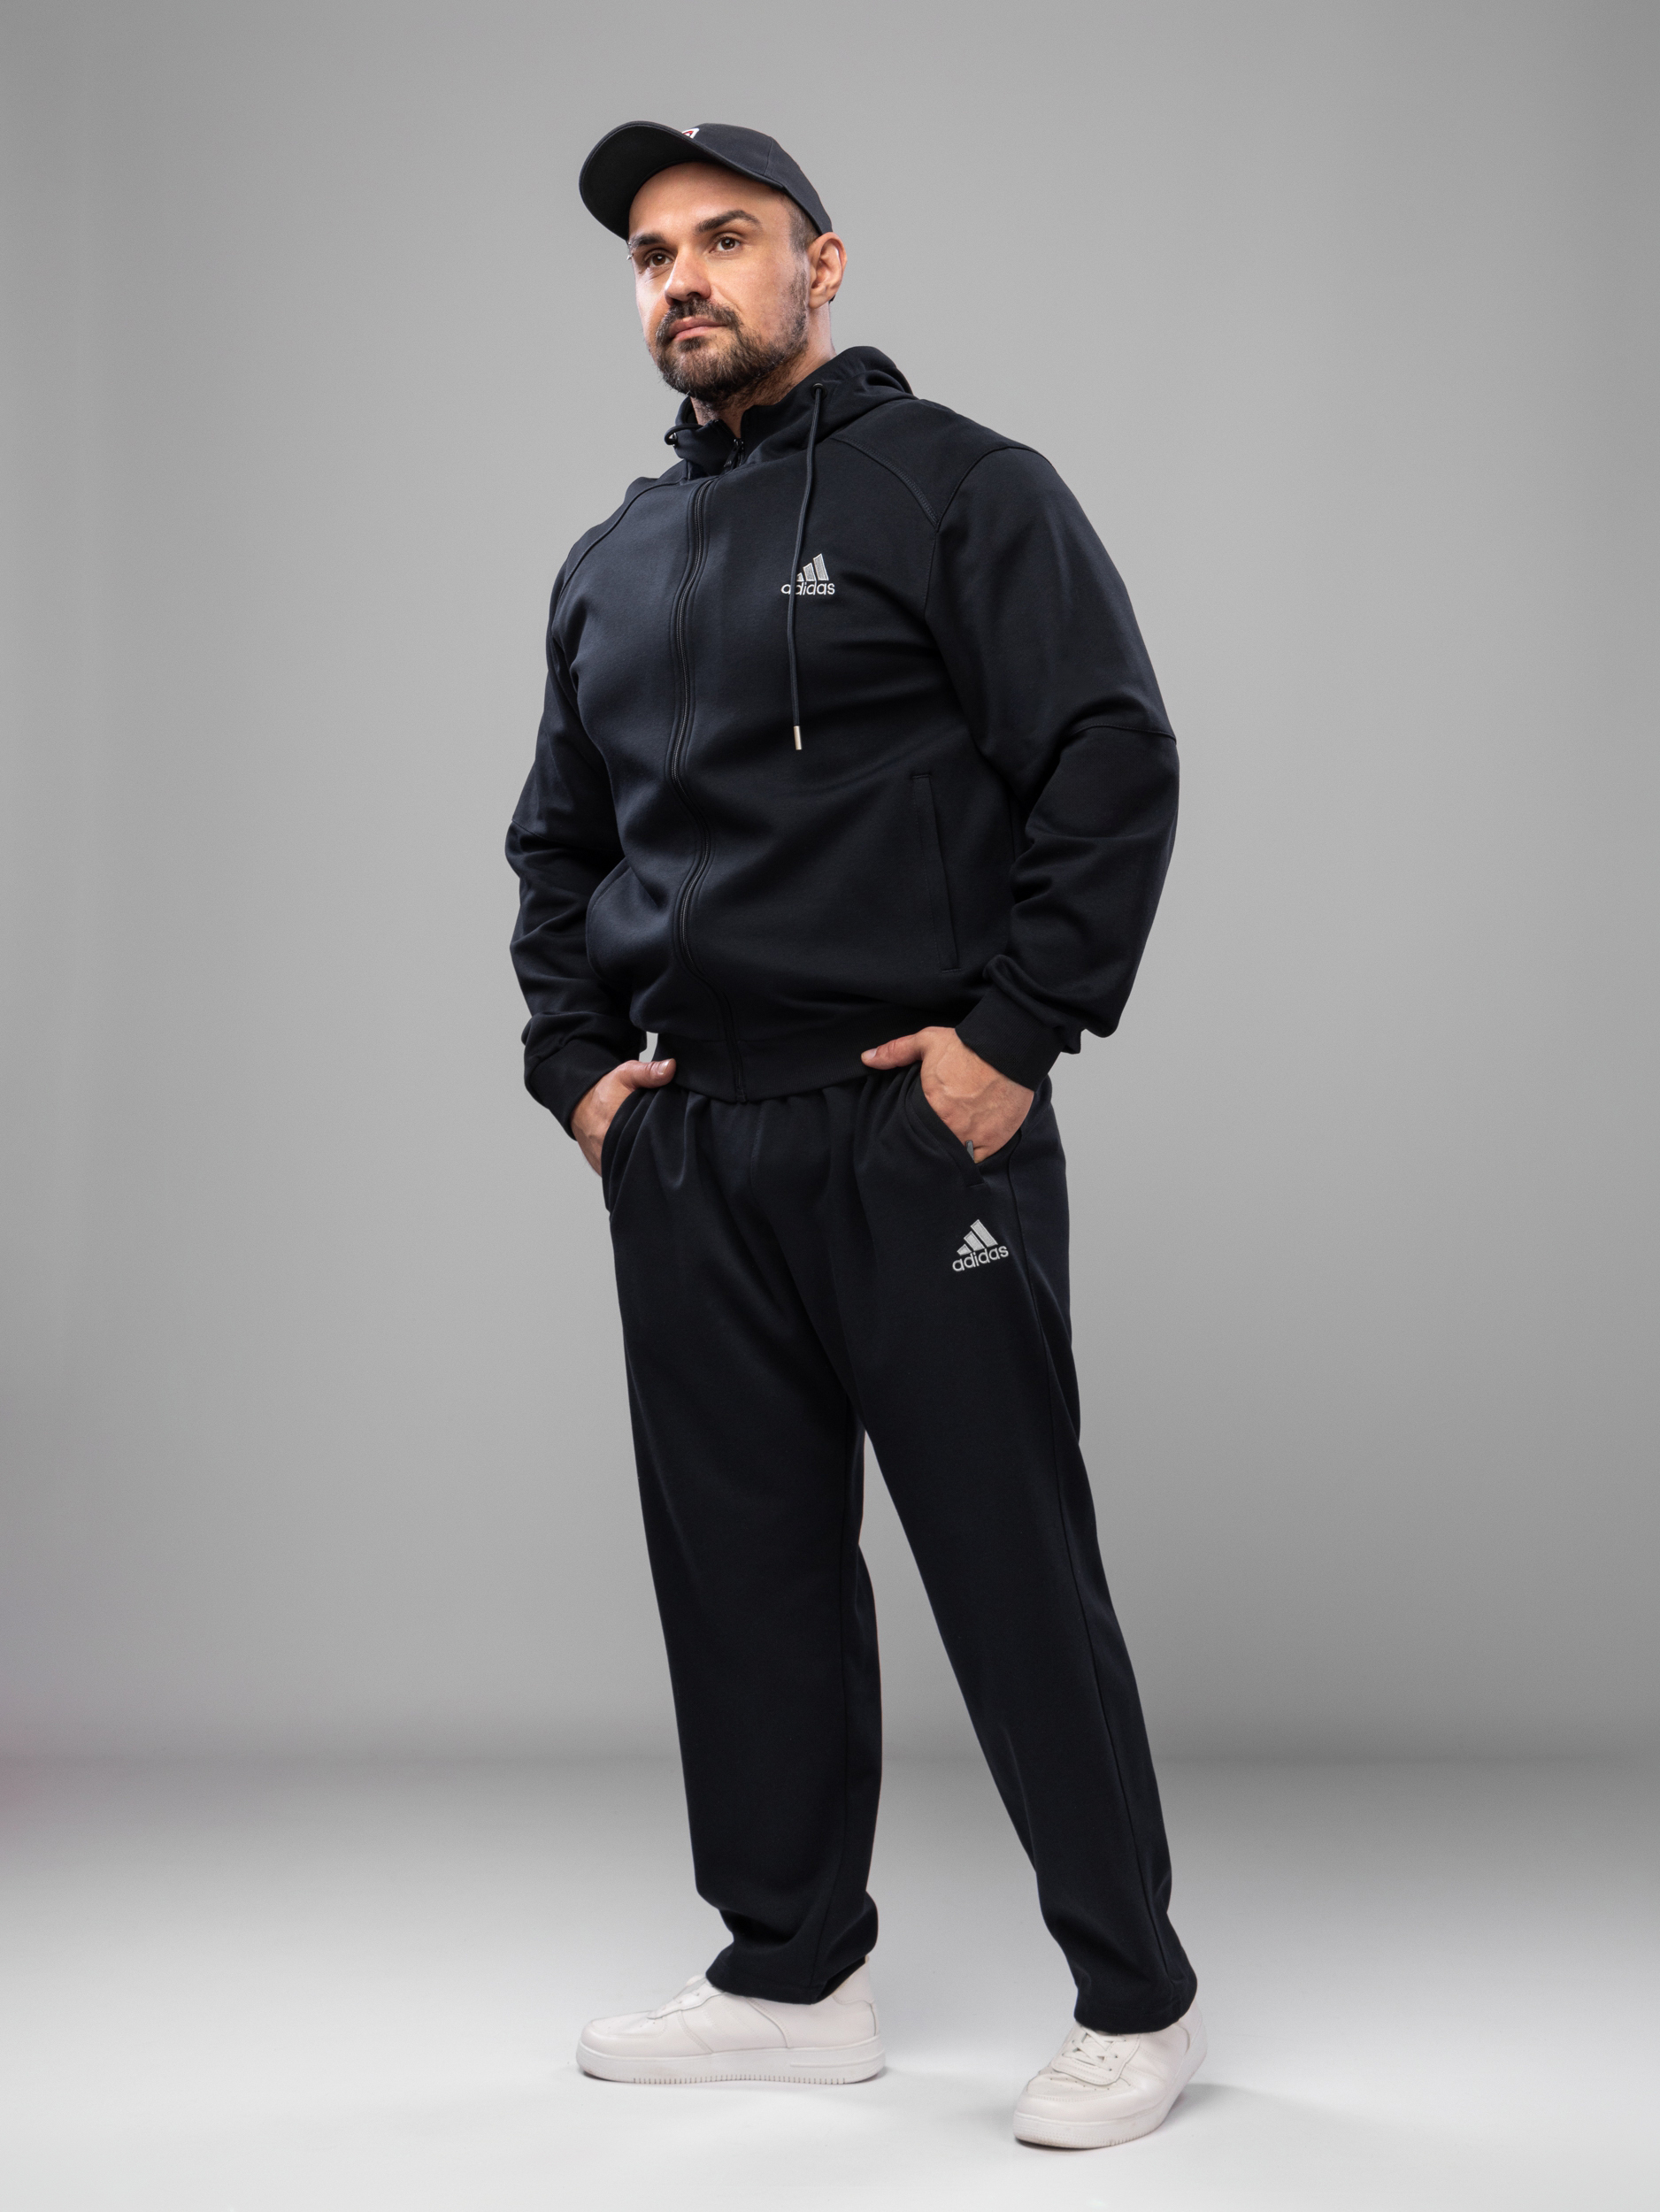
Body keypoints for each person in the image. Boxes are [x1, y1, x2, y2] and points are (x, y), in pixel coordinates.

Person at [506, 119, 1203, 2150]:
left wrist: (1013, 1038)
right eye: (651, 254)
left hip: (910, 1125)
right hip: (689, 1145)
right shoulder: (613, 560)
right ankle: (787, 1971)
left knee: (1006, 1557)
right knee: (741, 1574)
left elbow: (1108, 754)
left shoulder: (958, 488)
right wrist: (575, 1067)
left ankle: (1133, 1993)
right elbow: (557, 842)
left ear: (819, 266)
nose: (682, 278)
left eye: (724, 238)